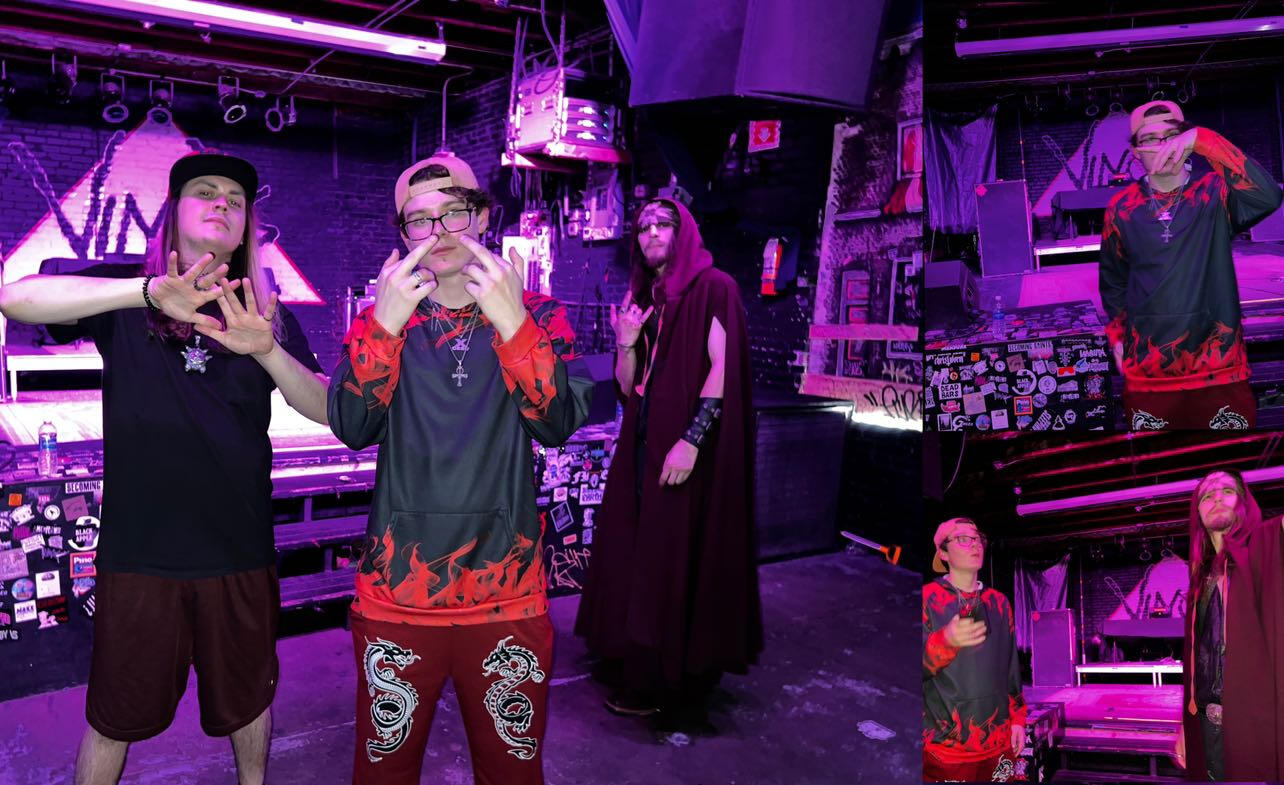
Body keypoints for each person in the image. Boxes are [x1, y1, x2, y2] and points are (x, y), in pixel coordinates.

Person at [0, 151, 329, 785]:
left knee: (248, 704)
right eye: (205, 191)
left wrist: (269, 351)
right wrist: (148, 291)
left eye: (236, 199)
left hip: (238, 549)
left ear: (245, 225)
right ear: (173, 211)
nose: (223, 203)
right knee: (112, 717)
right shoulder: (128, 289)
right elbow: (15, 300)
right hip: (140, 555)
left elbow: (323, 408)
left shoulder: (265, 309)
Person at [327, 154, 593, 785]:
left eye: (454, 212)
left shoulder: (541, 313)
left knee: (512, 773)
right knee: (383, 774)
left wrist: (512, 319)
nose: (439, 231)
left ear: (482, 217)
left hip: (507, 595)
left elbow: (557, 422)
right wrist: (384, 324)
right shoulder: (382, 317)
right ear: (403, 233)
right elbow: (352, 426)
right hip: (397, 595)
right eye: (420, 219)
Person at [573, 196, 761, 730]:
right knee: (637, 548)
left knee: (674, 552)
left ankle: (674, 680)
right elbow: (628, 384)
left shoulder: (715, 287)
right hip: (641, 441)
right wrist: (626, 343)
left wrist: (693, 440)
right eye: (643, 227)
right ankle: (637, 660)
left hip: (685, 446)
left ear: (684, 231)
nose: (652, 233)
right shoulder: (642, 296)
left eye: (663, 224)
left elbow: (723, 366)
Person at [1099, 100, 1284, 430]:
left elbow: (1267, 195)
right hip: (1150, 377)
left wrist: (1204, 139)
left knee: (1228, 461)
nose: (1163, 145)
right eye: (1150, 138)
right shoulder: (1122, 207)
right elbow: (1113, 280)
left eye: (1173, 135)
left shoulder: (1215, 192)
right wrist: (1116, 336)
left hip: (1219, 371)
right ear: (1135, 152)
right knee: (1158, 464)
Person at [1181, 469, 1284, 781]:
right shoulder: (1200, 578)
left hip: (1253, 725)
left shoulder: (1265, 545)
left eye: (1227, 491)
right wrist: (1184, 727)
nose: (1216, 498)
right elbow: (1195, 662)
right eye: (1207, 495)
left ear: (1244, 503)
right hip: (1205, 727)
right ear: (1198, 513)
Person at [923, 518, 1026, 782]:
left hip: (999, 744)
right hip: (947, 750)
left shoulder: (999, 602)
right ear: (943, 553)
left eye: (978, 538)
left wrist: (1017, 719)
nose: (975, 544)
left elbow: (1010, 668)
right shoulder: (927, 599)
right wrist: (945, 641)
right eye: (963, 539)